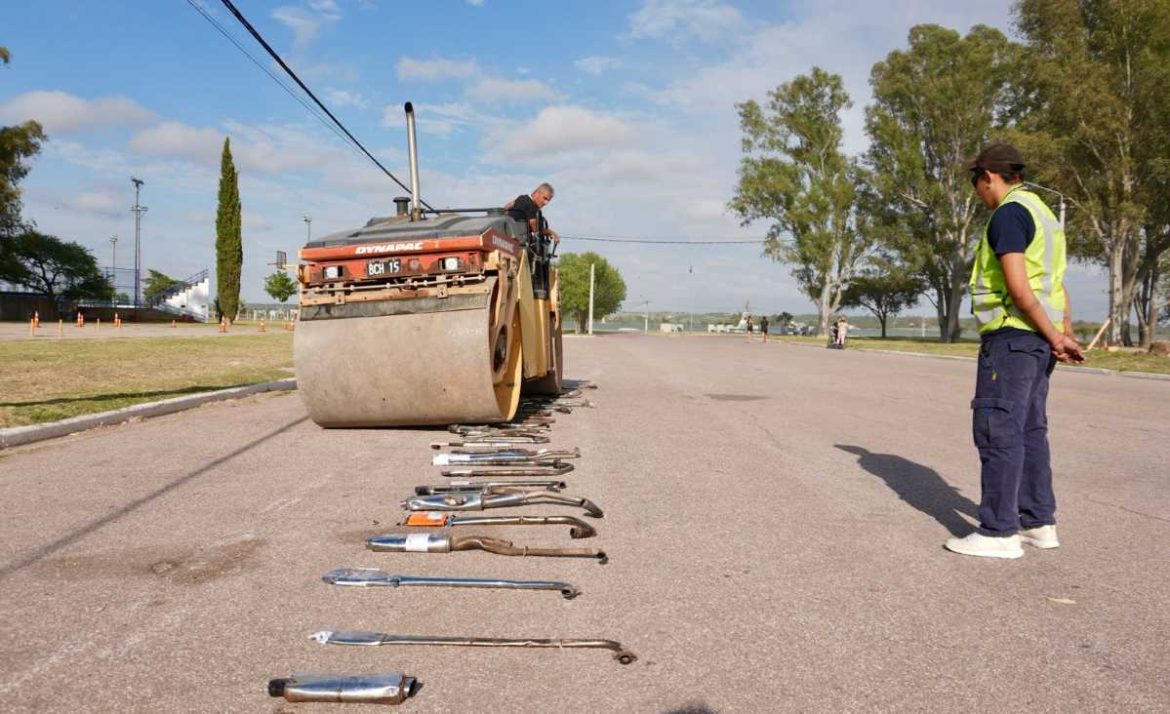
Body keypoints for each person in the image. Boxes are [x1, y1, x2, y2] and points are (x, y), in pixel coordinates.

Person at [945, 142, 1083, 560]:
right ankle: (1038, 522)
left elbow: (1021, 289)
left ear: (988, 176)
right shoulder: (1043, 213)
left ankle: (999, 531)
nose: (979, 195)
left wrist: (1055, 335)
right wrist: (1062, 331)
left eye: (977, 185)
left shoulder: (1008, 214)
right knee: (1029, 431)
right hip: (1038, 340)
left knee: (998, 429)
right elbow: (1054, 284)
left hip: (1011, 337)